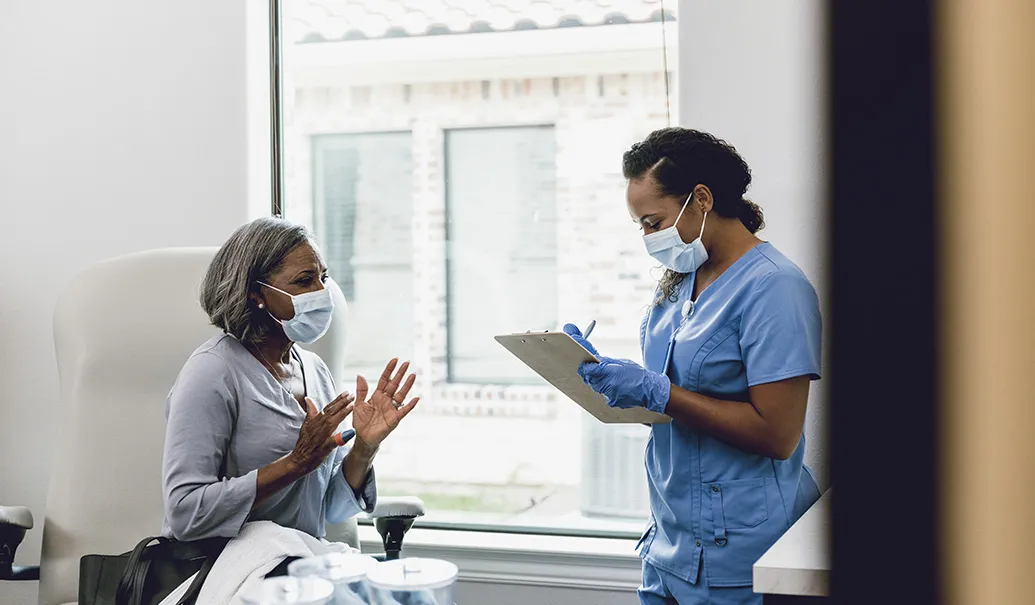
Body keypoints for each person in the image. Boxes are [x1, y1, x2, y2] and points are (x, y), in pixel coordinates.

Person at [565, 127, 822, 604]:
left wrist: (656, 391)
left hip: (739, 551)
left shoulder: (776, 288)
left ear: (701, 199)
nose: (648, 236)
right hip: (670, 540)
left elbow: (778, 435)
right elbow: (675, 386)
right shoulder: (683, 279)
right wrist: (601, 373)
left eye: (653, 221)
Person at [161, 217, 419, 542]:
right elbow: (186, 514)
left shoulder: (315, 371)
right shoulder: (212, 372)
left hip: (297, 563)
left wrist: (365, 448)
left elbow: (332, 511)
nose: (323, 293)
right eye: (304, 281)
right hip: (223, 571)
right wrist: (295, 463)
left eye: (323, 278)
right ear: (256, 294)